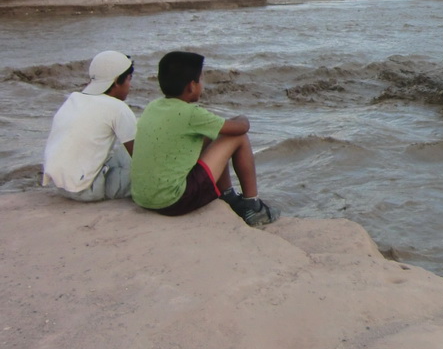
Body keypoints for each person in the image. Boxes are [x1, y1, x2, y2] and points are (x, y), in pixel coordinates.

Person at [130, 51, 276, 226]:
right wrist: (243, 117)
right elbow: (240, 128)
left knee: (209, 135)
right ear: (192, 86)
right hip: (173, 202)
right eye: (201, 79)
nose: (203, 84)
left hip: (143, 197)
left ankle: (228, 196)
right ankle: (253, 205)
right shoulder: (191, 113)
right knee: (239, 137)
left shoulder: (153, 106)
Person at [42, 50, 136, 201]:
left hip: (60, 186)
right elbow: (138, 155)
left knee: (118, 152)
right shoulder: (118, 108)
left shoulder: (73, 99)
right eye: (129, 80)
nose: (130, 86)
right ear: (117, 80)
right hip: (89, 190)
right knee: (148, 155)